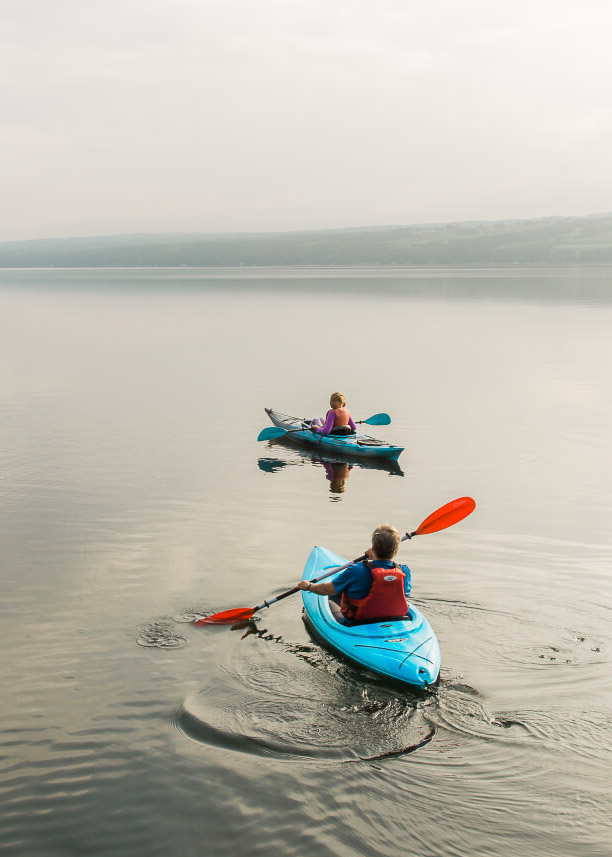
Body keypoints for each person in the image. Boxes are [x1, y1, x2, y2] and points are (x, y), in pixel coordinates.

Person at [297, 524, 411, 624]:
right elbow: (400, 595)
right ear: (396, 549)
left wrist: (309, 586)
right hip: (396, 620)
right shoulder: (404, 571)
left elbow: (327, 590)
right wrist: (375, 558)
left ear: (373, 547)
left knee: (330, 599)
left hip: (358, 623)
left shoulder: (356, 570)